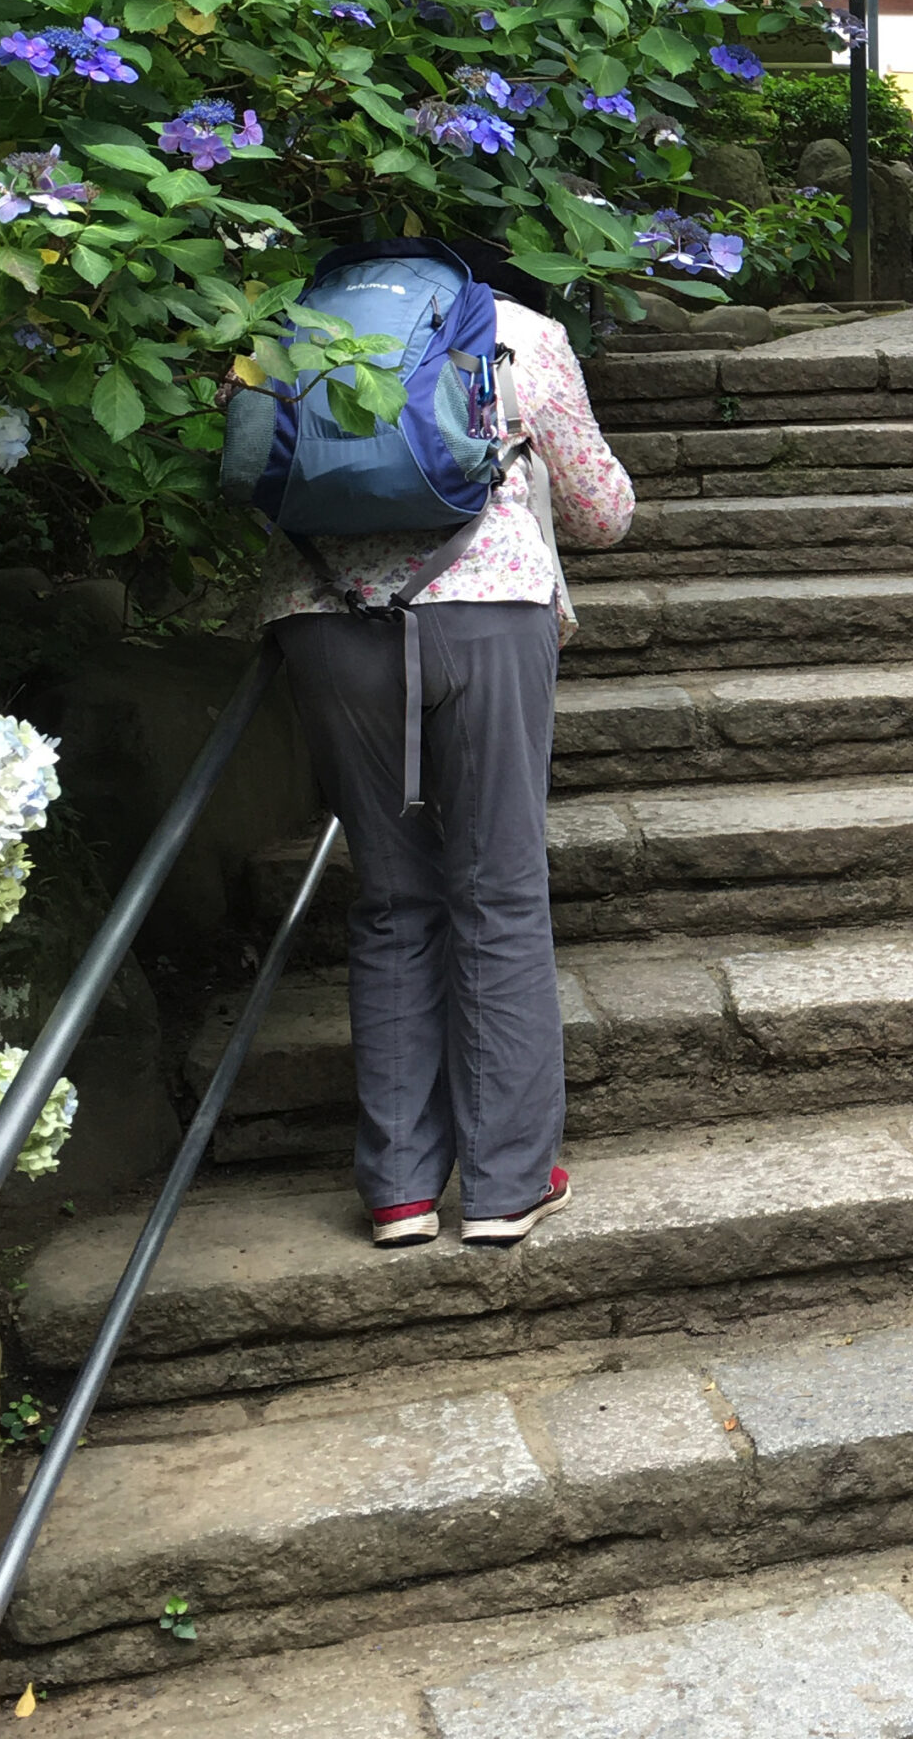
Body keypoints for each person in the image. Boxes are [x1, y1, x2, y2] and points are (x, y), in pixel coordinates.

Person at [259, 243, 634, 1252]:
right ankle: (510, 1182)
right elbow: (600, 510)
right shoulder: (520, 331)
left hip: (326, 618)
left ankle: (397, 1191)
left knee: (389, 896)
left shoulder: (285, 327)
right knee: (498, 892)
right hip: (486, 607)